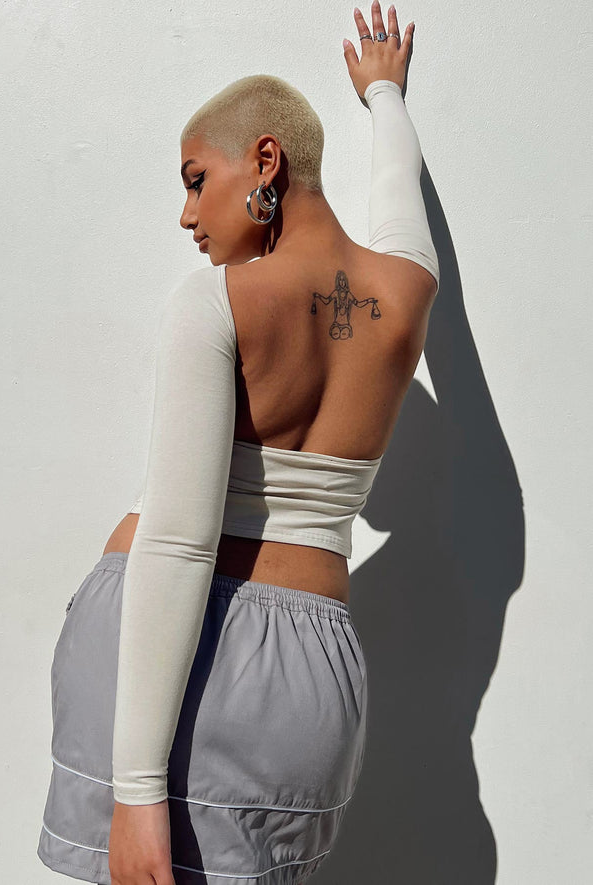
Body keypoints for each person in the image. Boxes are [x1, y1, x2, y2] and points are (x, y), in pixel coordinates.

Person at [36, 4, 439, 884]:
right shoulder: (408, 291)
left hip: (162, 659)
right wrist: (385, 97)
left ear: (265, 160)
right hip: (308, 677)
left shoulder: (215, 300)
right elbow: (399, 201)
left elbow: (180, 542)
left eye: (195, 179)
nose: (187, 214)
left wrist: (137, 793)